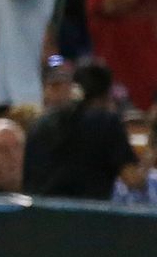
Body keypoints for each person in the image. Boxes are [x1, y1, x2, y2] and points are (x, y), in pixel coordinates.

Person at [24, 61, 136, 201]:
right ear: (106, 96)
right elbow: (133, 180)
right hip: (88, 218)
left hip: (40, 216)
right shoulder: (107, 123)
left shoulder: (38, 124)